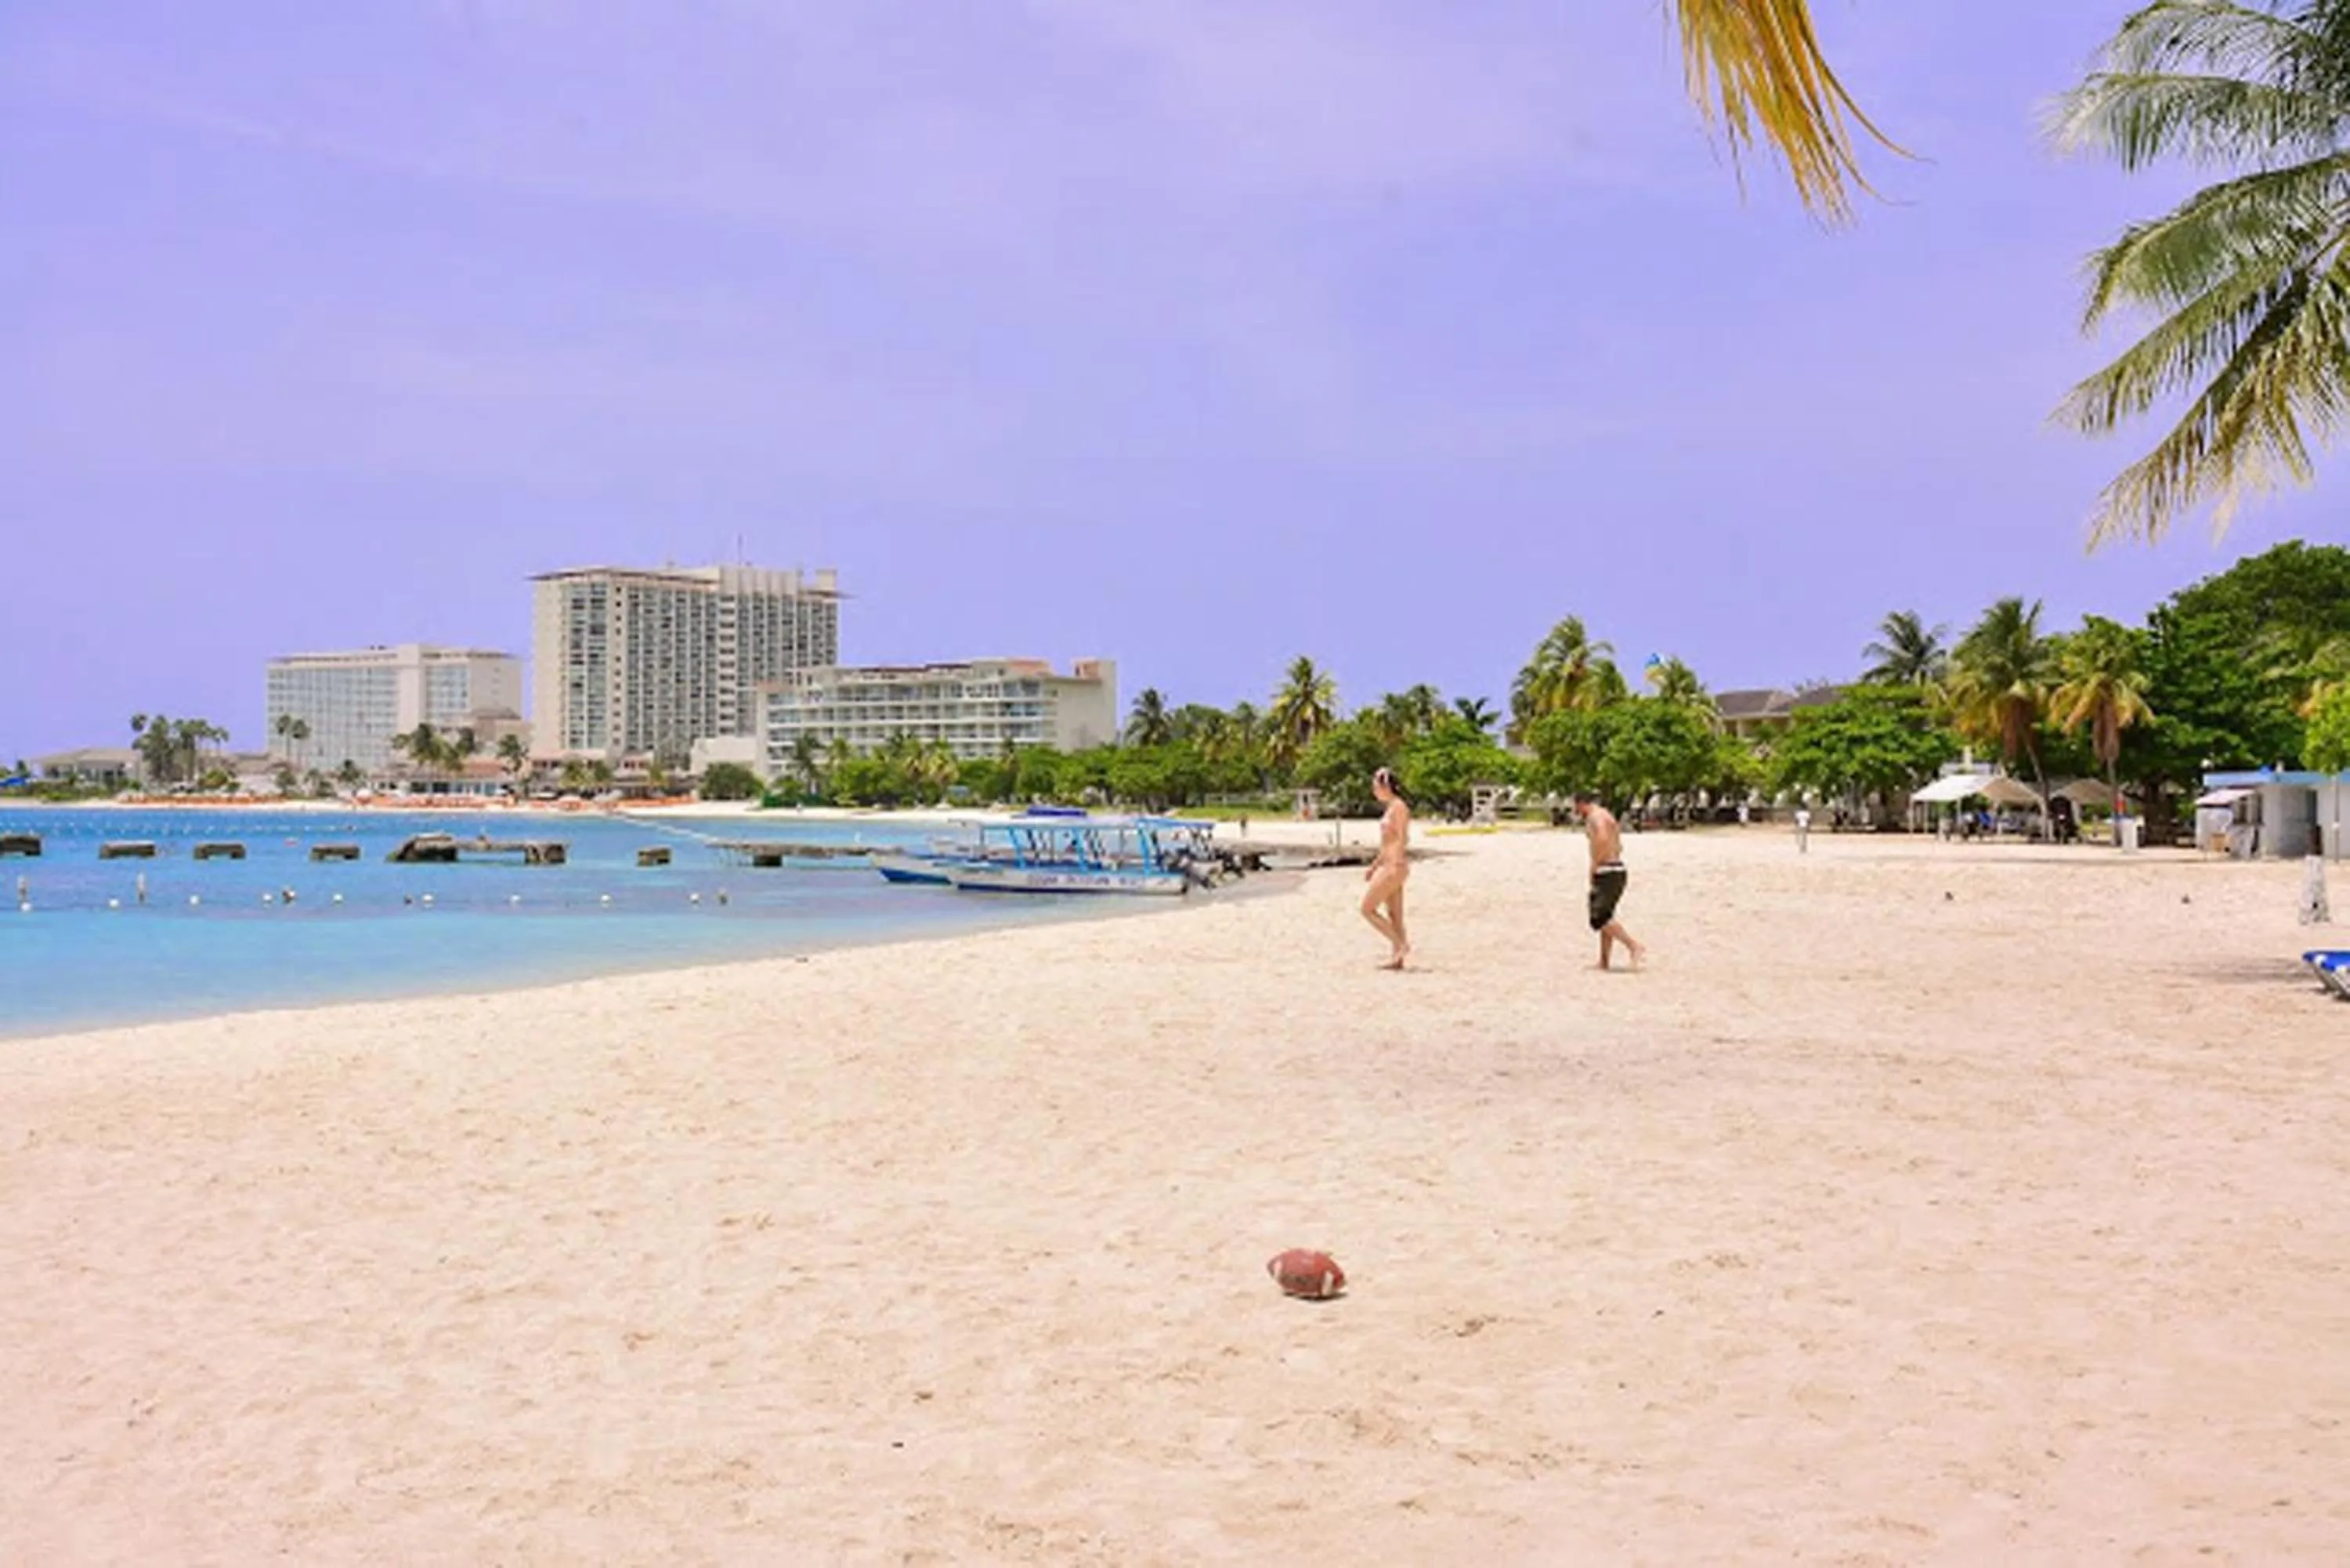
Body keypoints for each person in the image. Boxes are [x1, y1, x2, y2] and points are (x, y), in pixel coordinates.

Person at [1571, 792, 1644, 971]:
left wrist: (1595, 864)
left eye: (1575, 806)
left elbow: (1602, 838)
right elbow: (1619, 845)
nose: (1575, 810)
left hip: (1607, 870)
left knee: (1598, 918)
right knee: (1607, 916)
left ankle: (1634, 946)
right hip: (1618, 868)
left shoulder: (1594, 817)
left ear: (1581, 804)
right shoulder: (1607, 815)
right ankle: (1604, 961)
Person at [1360, 768, 1411, 970]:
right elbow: (1386, 843)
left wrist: (1396, 861)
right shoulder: (1391, 808)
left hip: (1394, 866)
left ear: (1386, 787)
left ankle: (1401, 945)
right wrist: (1374, 866)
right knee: (1394, 915)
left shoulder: (1399, 807)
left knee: (1367, 909)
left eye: (1376, 787)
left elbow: (1402, 837)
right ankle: (1397, 958)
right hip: (1389, 864)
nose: (1374, 792)